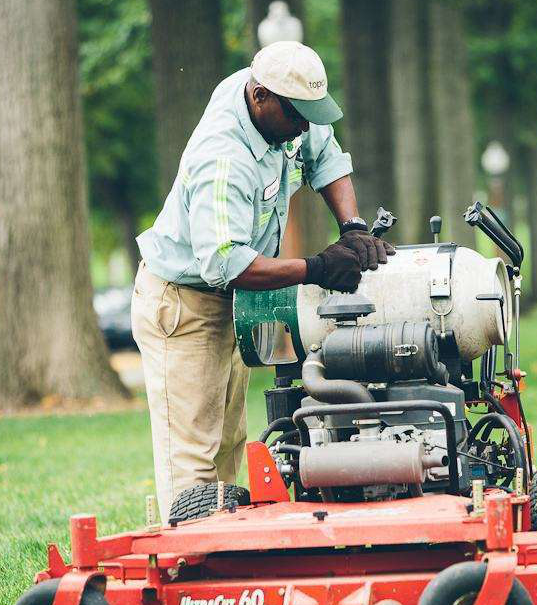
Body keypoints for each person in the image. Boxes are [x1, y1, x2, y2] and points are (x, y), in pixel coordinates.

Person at [131, 41, 394, 518]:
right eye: (298, 116)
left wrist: (353, 229)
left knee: (228, 443)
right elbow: (226, 264)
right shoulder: (223, 157)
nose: (305, 127)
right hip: (185, 304)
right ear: (260, 97)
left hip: (232, 300)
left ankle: (222, 548)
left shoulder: (284, 105)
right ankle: (188, 557)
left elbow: (326, 157)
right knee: (193, 455)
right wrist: (317, 268)